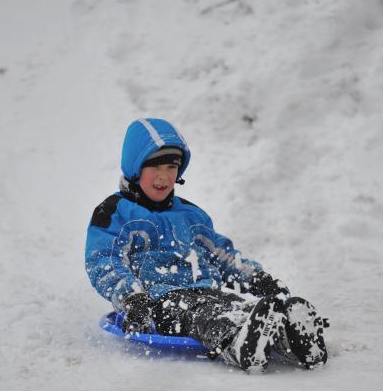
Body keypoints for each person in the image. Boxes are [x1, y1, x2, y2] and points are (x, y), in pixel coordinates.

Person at [85, 118, 328, 370]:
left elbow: (221, 255)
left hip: (206, 291)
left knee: (242, 308)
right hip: (158, 302)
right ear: (135, 168)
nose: (164, 176)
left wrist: (256, 278)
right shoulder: (116, 213)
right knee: (204, 316)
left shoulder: (191, 216)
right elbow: (104, 260)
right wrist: (132, 297)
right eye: (154, 166)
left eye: (171, 167)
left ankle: (290, 338)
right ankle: (237, 345)